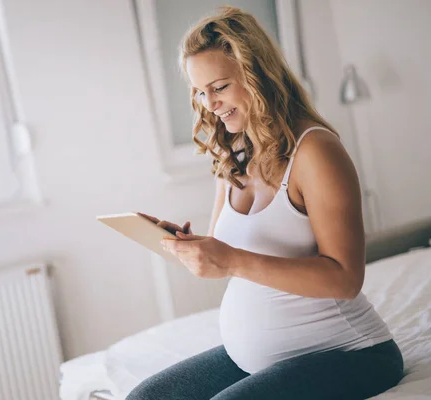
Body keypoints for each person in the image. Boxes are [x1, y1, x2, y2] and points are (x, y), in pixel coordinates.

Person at [129, 6, 403, 400]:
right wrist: (191, 247)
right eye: (199, 92)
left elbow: (345, 279)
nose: (210, 104)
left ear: (256, 75)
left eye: (219, 87)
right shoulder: (233, 156)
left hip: (346, 353)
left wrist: (230, 260)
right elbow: (224, 257)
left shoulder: (315, 152)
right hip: (258, 357)